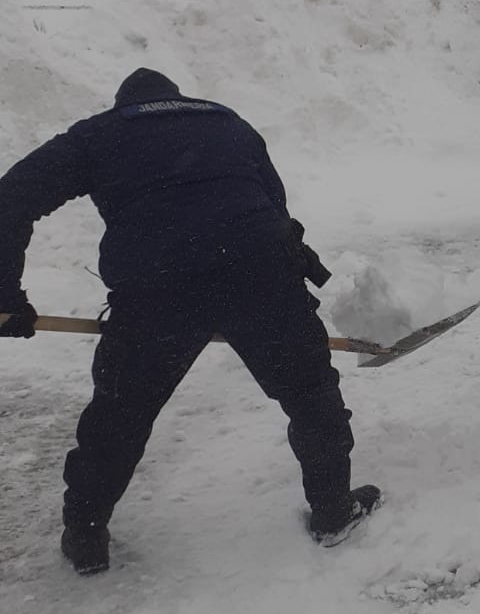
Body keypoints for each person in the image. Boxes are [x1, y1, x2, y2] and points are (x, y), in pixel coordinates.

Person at [0, 68, 380, 575]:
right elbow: (273, 204)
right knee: (310, 393)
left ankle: (86, 535)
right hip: (258, 272)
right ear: (177, 99)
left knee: (120, 414)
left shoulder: (98, 134)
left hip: (157, 287)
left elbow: (11, 199)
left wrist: (6, 296)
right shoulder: (227, 122)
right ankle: (333, 509)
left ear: (124, 105)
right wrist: (281, 268)